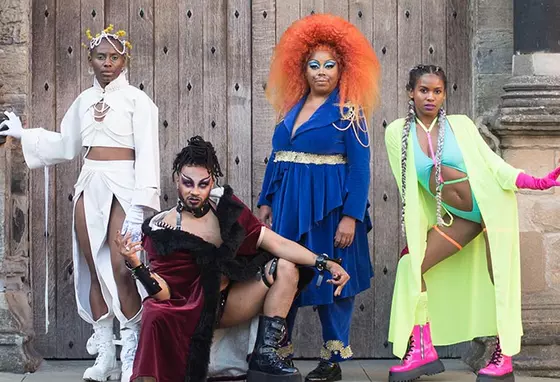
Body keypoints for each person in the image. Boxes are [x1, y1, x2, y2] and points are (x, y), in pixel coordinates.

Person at [115, 136, 351, 382]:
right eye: (188, 183)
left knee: (286, 265)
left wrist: (325, 263)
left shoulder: (225, 211)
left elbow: (277, 242)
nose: (195, 191)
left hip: (229, 302)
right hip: (190, 308)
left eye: (203, 184)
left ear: (212, 182)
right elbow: (163, 293)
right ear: (176, 179)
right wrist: (135, 263)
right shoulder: (162, 228)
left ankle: (265, 355)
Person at [0, 25, 160, 382]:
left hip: (125, 184)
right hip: (90, 181)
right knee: (91, 267)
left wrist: (139, 209)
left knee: (122, 267)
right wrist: (23, 134)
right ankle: (105, 354)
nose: (108, 63)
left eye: (114, 57)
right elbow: (68, 145)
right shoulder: (84, 101)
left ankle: (132, 351)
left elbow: (149, 156)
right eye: (101, 56)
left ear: (124, 60)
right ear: (90, 59)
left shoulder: (139, 101)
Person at [384, 64, 560, 382]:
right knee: (413, 263)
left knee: (500, 279)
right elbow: (409, 189)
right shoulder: (397, 133)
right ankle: (423, 349)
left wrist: (537, 182)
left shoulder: (461, 126)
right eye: (423, 90)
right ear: (410, 92)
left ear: (444, 94)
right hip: (460, 220)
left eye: (437, 91)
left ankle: (503, 357)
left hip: (492, 210)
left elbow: (493, 165)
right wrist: (418, 233)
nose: (430, 97)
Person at [256, 13, 380, 382]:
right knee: (288, 274)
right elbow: (277, 158)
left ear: (344, 70)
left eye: (330, 65)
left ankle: (332, 360)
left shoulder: (350, 114)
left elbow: (360, 170)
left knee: (334, 281)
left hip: (331, 211)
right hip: (290, 208)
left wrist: (351, 217)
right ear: (303, 69)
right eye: (314, 65)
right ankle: (278, 351)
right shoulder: (288, 111)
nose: (322, 72)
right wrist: (266, 201)